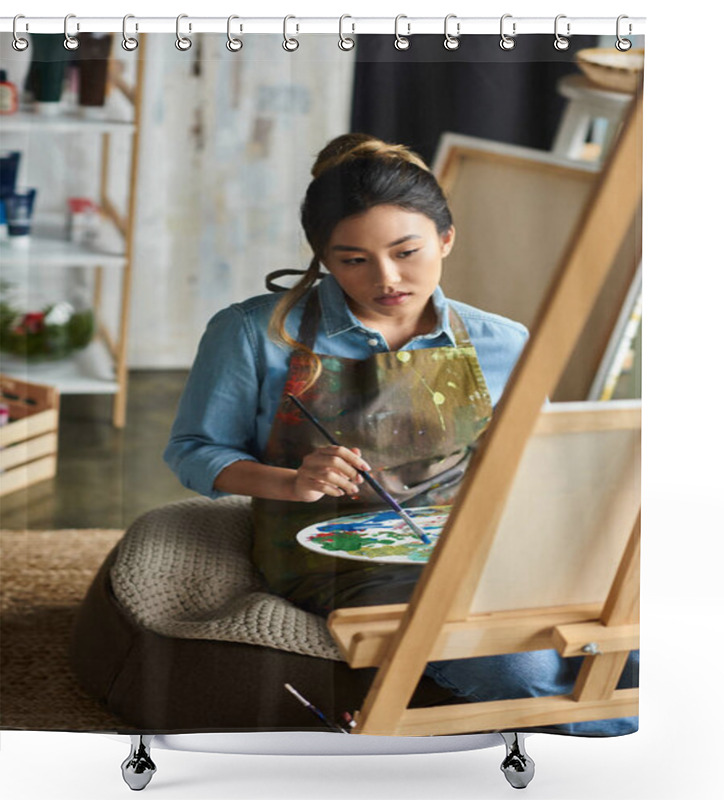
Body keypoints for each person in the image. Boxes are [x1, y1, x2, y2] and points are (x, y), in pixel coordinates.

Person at [164, 133, 637, 736]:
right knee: (521, 669)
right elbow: (194, 450)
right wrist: (292, 480)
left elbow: (540, 471)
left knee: (635, 648)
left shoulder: (503, 341)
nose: (386, 278)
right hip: (336, 558)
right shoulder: (255, 334)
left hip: (477, 546)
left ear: (446, 238)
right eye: (353, 260)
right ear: (324, 259)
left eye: (407, 251)